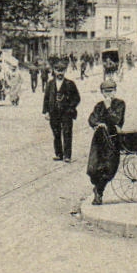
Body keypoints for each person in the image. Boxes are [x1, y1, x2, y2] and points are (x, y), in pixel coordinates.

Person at [86, 77, 126, 205]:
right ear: (102, 92)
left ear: (115, 91)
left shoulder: (120, 104)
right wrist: (97, 124)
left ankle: (99, 191)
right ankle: (98, 191)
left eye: (111, 91)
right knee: (95, 168)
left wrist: (108, 108)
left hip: (113, 140)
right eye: (106, 91)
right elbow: (92, 119)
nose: (109, 94)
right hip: (99, 141)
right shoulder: (99, 106)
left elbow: (116, 119)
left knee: (109, 168)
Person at [42, 58, 81, 162]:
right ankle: (59, 154)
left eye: (62, 70)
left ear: (65, 71)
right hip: (54, 112)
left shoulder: (70, 84)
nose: (60, 73)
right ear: (54, 71)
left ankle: (67, 155)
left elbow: (77, 98)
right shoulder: (50, 84)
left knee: (67, 133)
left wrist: (70, 107)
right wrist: (46, 112)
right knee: (56, 133)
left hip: (66, 113)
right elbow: (46, 98)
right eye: (57, 70)